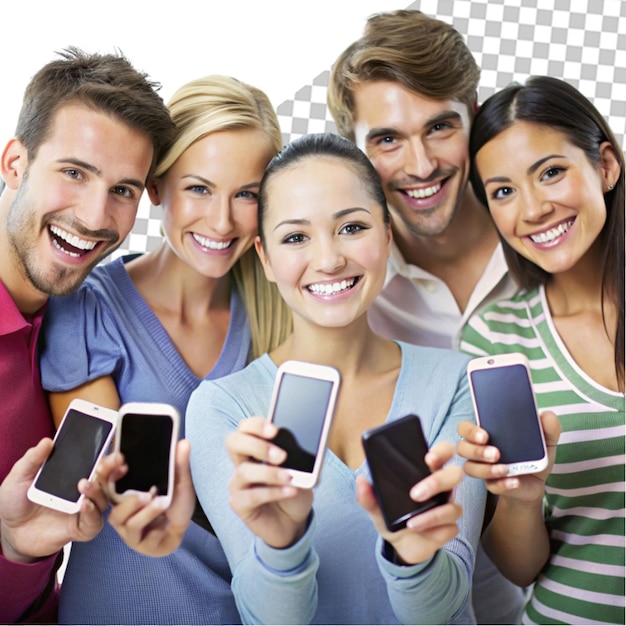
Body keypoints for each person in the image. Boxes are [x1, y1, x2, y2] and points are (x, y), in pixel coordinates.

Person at [187, 133, 485, 624]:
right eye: (296, 237)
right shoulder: (224, 408)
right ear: (264, 257)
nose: (327, 260)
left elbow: (443, 610)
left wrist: (414, 557)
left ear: (387, 235)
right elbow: (272, 619)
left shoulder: (454, 380)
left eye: (351, 227)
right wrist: (283, 542)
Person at [39, 74, 291, 624]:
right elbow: (109, 481)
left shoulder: (278, 314)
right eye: (199, 187)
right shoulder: (87, 309)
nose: (222, 222)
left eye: (246, 194)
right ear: (157, 187)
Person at [326, 9, 525, 624]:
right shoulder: (345, 289)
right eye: (387, 139)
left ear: (473, 117)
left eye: (440, 127)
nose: (419, 165)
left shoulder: (549, 237)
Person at [0, 47, 174, 624]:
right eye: (74, 172)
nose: (97, 216)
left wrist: (20, 551)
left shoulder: (86, 317)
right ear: (14, 163)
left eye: (123, 189)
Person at [457, 76, 625, 625]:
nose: (532, 209)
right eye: (503, 191)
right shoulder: (496, 342)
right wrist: (523, 498)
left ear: (605, 165)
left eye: (550, 172)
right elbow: (520, 568)